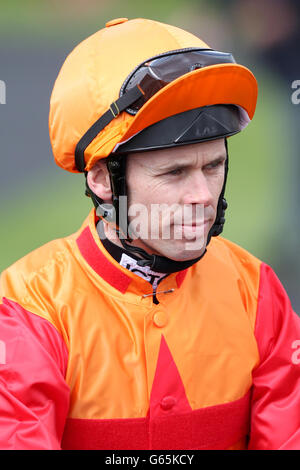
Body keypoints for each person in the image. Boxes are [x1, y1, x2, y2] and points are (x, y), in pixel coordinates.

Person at [0, 17, 300, 451]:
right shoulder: (28, 310)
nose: (203, 195)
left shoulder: (257, 292)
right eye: (175, 172)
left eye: (213, 166)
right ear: (103, 178)